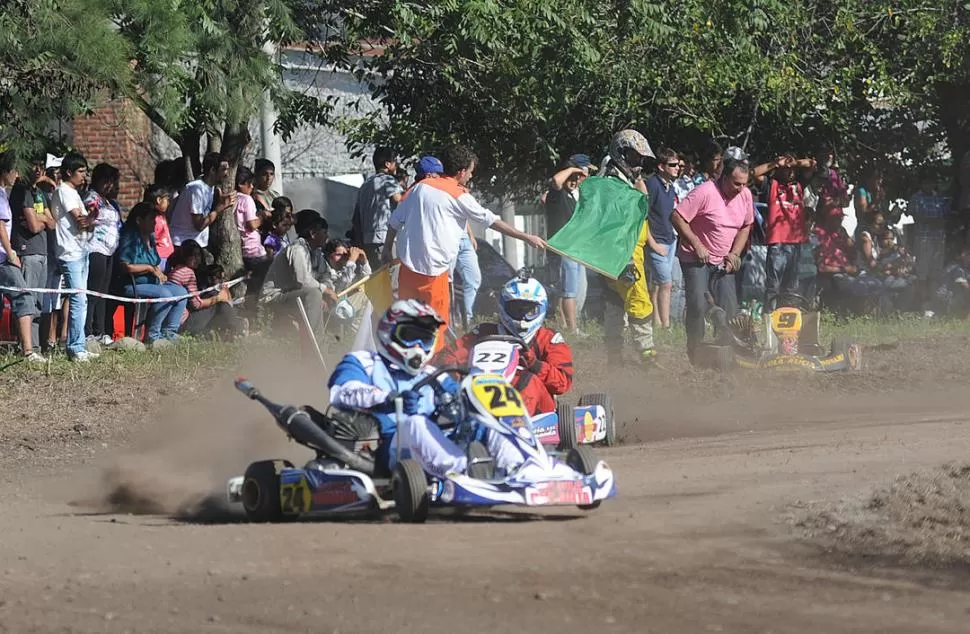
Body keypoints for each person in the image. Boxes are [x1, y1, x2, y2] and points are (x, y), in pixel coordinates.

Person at [327, 299, 531, 479]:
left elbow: (459, 396)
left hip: (437, 442)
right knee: (415, 422)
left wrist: (465, 405)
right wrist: (389, 398)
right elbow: (342, 391)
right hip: (387, 445)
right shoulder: (364, 361)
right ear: (390, 332)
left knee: (486, 421)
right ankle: (461, 473)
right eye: (410, 336)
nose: (417, 346)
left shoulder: (433, 373)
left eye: (424, 339)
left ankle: (519, 467)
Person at [383, 144, 546, 351]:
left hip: (407, 271)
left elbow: (394, 222)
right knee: (434, 331)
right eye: (470, 171)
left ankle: (403, 366)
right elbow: (492, 221)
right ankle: (433, 367)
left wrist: (387, 249)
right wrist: (526, 237)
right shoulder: (458, 194)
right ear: (461, 172)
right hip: (434, 275)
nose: (471, 176)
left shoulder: (418, 188)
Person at [437, 274, 573, 417]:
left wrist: (535, 364)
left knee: (528, 380)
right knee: (456, 378)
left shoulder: (548, 338)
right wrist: (455, 373)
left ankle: (515, 420)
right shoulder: (484, 332)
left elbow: (562, 383)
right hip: (482, 389)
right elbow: (447, 355)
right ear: (503, 306)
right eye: (517, 309)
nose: (523, 317)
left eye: (530, 311)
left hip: (535, 409)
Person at [672, 155, 754, 363]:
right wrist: (697, 244)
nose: (740, 189)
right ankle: (695, 353)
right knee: (698, 305)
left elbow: (746, 226)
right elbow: (677, 216)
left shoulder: (745, 195)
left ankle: (728, 351)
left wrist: (735, 253)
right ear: (724, 178)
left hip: (723, 260)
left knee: (730, 308)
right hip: (696, 258)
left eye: (744, 184)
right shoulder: (705, 192)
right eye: (736, 183)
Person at [599, 129, 659, 366]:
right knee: (639, 299)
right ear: (621, 153)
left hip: (623, 250)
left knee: (615, 301)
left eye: (640, 159)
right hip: (624, 252)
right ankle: (646, 353)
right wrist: (625, 259)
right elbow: (614, 221)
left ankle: (614, 356)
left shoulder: (619, 179)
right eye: (635, 158)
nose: (638, 164)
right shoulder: (612, 182)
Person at [116, 202, 188, 349]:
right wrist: (149, 268)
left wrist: (158, 271)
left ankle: (169, 332)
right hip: (132, 284)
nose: (155, 223)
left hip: (153, 283)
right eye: (151, 219)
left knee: (181, 292)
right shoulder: (129, 237)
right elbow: (125, 266)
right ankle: (152, 335)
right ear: (139, 220)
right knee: (165, 294)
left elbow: (155, 262)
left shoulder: (151, 238)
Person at [51, 152, 98, 362]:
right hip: (70, 253)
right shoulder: (65, 191)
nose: (84, 176)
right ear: (69, 172)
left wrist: (91, 219)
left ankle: (78, 344)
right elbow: (81, 221)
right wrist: (93, 217)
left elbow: (87, 224)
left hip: (81, 250)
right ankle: (75, 348)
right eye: (80, 171)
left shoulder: (74, 193)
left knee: (81, 299)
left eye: (85, 171)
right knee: (78, 299)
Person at [260, 209, 337, 332]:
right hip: (275, 297)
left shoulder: (317, 253)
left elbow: (326, 275)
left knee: (320, 295)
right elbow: (303, 281)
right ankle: (314, 341)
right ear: (313, 233)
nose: (327, 236)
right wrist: (324, 290)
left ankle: (322, 338)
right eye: (324, 232)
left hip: (294, 295)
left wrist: (327, 290)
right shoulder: (297, 249)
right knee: (314, 294)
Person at [0, 153, 45, 363]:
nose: (17, 175)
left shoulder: (4, 193)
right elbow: (1, 226)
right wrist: (10, 253)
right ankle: (28, 351)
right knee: (23, 296)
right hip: (3, 257)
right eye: (14, 171)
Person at [10, 155, 56, 348]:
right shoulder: (21, 191)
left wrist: (41, 218)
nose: (38, 169)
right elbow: (33, 226)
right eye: (34, 165)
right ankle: (25, 347)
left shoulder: (38, 192)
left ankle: (35, 346)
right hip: (27, 251)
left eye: (41, 166)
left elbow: (52, 223)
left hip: (42, 252)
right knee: (27, 302)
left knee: (38, 303)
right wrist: (42, 218)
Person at [545, 154, 593, 335]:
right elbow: (556, 181)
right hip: (564, 249)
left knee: (575, 289)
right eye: (584, 173)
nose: (585, 177)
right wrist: (572, 169)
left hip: (576, 248)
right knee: (569, 291)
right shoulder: (557, 194)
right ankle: (573, 329)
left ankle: (565, 326)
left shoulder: (574, 196)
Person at [763, 156, 814, 306]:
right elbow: (754, 173)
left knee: (791, 286)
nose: (790, 172)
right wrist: (774, 163)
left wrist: (794, 162)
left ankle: (787, 314)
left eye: (792, 169)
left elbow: (812, 164)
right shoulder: (772, 185)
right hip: (777, 241)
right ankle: (770, 314)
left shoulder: (799, 185)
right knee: (773, 285)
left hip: (795, 241)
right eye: (786, 169)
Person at [167, 240, 244, 338]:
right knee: (219, 301)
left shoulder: (177, 269)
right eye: (193, 255)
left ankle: (231, 328)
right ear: (185, 257)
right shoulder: (187, 273)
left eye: (198, 255)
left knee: (215, 297)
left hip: (177, 321)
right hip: (184, 323)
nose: (197, 259)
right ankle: (238, 329)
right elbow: (196, 305)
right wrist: (218, 298)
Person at [83, 163, 122, 346]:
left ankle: (101, 330)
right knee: (92, 291)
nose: (111, 186)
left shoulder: (110, 203)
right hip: (95, 249)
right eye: (108, 181)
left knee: (103, 293)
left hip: (109, 252)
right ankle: (87, 331)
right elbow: (90, 212)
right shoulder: (92, 197)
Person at [168, 152, 235, 250]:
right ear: (212, 170)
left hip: (196, 243)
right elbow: (199, 225)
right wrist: (220, 208)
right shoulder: (196, 190)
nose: (226, 174)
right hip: (183, 244)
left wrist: (219, 200)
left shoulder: (209, 186)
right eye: (223, 169)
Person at [646, 148, 680, 328]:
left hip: (669, 239)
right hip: (656, 240)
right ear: (661, 166)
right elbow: (642, 216)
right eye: (672, 165)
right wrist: (652, 244)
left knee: (658, 283)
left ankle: (657, 321)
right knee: (666, 283)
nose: (677, 168)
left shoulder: (670, 186)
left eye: (678, 165)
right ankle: (666, 325)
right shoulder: (652, 184)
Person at [353, 147, 404, 267]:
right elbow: (400, 202)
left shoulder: (365, 185)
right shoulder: (387, 180)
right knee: (391, 275)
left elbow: (356, 217)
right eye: (394, 162)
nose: (396, 165)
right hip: (386, 239)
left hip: (368, 241)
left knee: (377, 275)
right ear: (387, 164)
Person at [146, 185, 174, 270]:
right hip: (160, 258)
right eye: (167, 200)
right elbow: (149, 241)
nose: (168, 203)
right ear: (159, 200)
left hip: (168, 257)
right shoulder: (153, 220)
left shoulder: (162, 216)